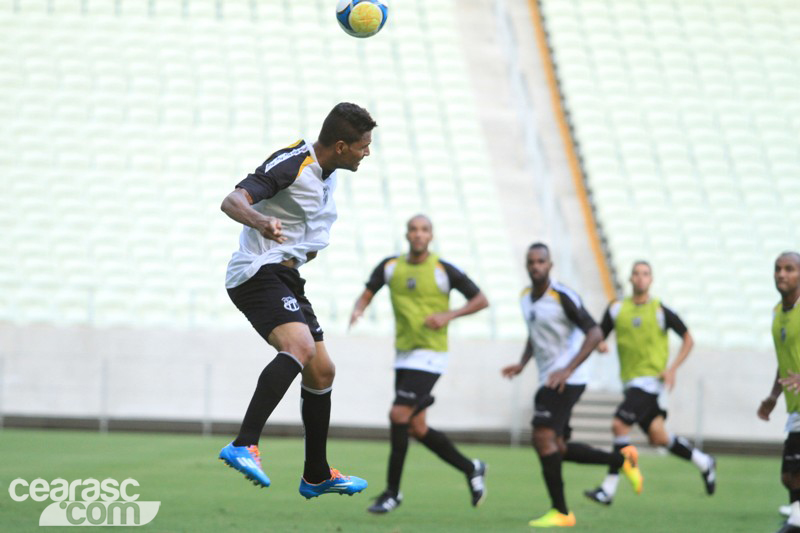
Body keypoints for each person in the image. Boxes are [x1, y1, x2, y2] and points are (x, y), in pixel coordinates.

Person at [217, 102, 376, 499]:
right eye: (363, 146)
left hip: (286, 277)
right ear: (341, 146)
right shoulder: (293, 163)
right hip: (256, 271)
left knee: (321, 371)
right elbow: (232, 201)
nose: (367, 152)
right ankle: (244, 443)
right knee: (300, 348)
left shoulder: (327, 174)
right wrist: (261, 222)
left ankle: (317, 474)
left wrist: (305, 247)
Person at [349, 214, 490, 514]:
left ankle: (392, 492)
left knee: (398, 414)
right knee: (417, 427)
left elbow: (481, 300)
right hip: (404, 354)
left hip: (431, 354)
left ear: (431, 236)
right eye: (413, 229)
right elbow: (368, 292)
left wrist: (448, 315)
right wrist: (358, 309)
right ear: (407, 235)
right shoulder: (390, 267)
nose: (418, 234)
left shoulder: (443, 269)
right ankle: (471, 468)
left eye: (424, 230)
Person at [501, 242, 642, 528]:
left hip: (569, 379)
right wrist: (522, 363)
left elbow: (595, 332)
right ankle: (621, 461)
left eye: (541, 261)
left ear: (550, 265)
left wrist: (568, 369)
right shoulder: (525, 298)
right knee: (559, 447)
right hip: (550, 377)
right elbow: (535, 334)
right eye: (531, 262)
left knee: (542, 437)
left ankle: (562, 512)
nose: (536, 266)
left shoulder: (562, 296)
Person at [584, 260, 716, 505]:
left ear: (651, 279)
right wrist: (599, 345)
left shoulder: (659, 311)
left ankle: (608, 488)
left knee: (619, 425)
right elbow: (599, 335)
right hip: (630, 383)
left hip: (651, 383)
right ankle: (704, 461)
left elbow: (688, 339)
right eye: (636, 273)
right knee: (658, 437)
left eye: (645, 274)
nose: (640, 277)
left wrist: (672, 369)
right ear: (630, 279)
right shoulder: (617, 309)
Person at [758, 251, 800, 533]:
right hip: (795, 407)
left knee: (794, 473)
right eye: (778, 268)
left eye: (789, 268)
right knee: (789, 476)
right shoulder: (777, 313)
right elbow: (784, 361)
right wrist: (774, 396)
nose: (782, 274)